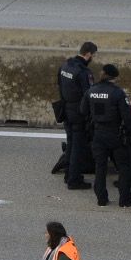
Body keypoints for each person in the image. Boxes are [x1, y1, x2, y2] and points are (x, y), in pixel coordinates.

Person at [87, 63, 131, 208]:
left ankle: (101, 199)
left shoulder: (91, 90)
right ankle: (125, 199)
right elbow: (127, 116)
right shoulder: (117, 93)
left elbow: (83, 110)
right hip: (115, 135)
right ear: (114, 77)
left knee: (100, 167)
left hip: (98, 133)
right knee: (123, 167)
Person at [55, 41, 95, 188]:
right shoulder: (83, 72)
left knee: (71, 143)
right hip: (78, 112)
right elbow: (88, 95)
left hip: (66, 110)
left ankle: (68, 174)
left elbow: (59, 86)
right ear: (89, 54)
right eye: (93, 56)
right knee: (78, 146)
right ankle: (74, 180)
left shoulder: (65, 66)